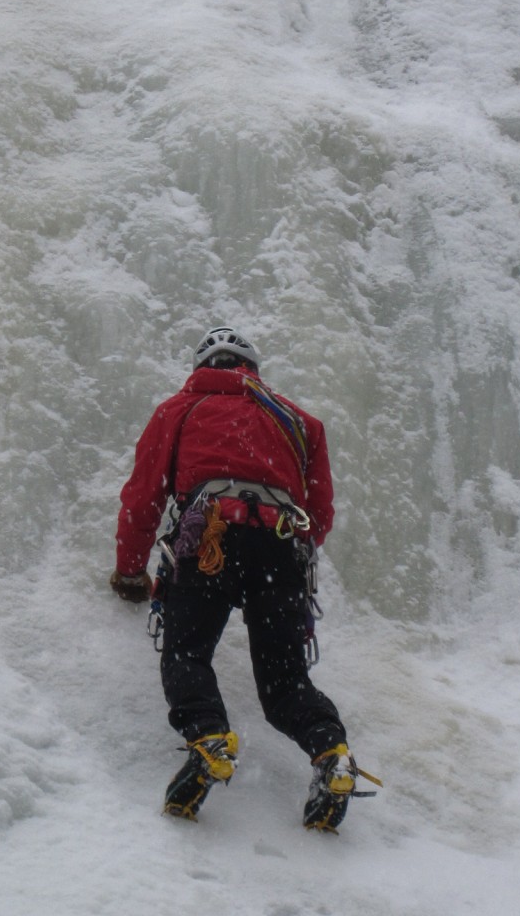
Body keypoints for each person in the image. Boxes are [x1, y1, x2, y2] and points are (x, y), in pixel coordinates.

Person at [110, 327, 379, 831]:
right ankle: (330, 753)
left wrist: (130, 572)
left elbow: (143, 498)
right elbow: (318, 514)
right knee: (285, 684)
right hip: (280, 547)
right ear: (252, 368)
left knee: (188, 655)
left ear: (201, 367)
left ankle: (209, 739)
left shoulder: (180, 409)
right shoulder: (298, 421)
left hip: (209, 536)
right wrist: (278, 552)